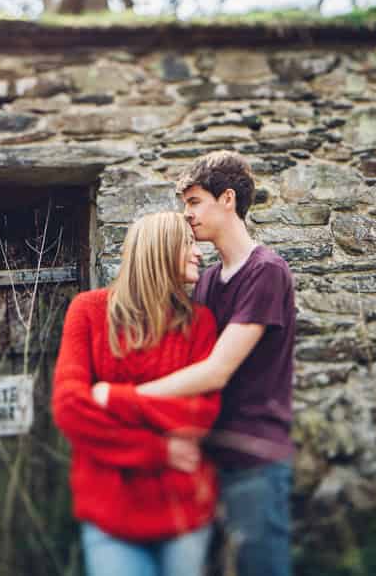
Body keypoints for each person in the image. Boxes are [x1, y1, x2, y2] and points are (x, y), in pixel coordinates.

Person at [93, 150, 297, 576]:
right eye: (185, 204)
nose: (187, 214)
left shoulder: (266, 271)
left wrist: (125, 398)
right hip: (201, 461)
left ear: (227, 200)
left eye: (194, 201)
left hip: (252, 458)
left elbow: (218, 369)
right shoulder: (206, 281)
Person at [52, 211, 221, 576]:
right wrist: (158, 449)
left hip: (184, 513)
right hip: (111, 512)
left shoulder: (200, 323)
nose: (199, 254)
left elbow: (200, 415)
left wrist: (114, 399)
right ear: (159, 250)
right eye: (188, 244)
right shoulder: (88, 311)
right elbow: (69, 407)